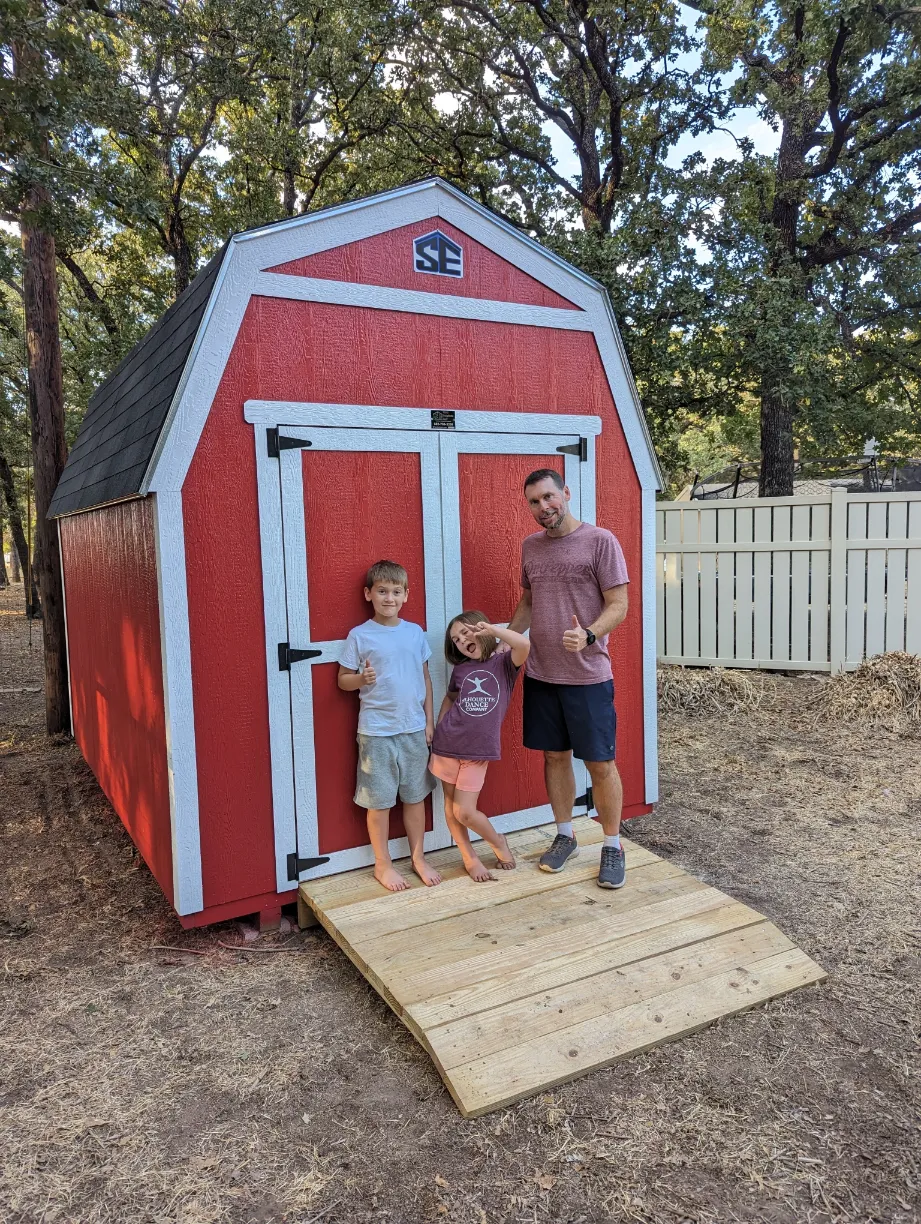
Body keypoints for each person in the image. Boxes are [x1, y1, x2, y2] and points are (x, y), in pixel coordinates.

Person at [506, 470, 630, 889]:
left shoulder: (600, 541)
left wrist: (590, 633)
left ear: (566, 494)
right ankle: (564, 835)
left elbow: (620, 603)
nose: (544, 508)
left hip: (588, 676)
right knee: (555, 757)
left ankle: (612, 845)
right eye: (535, 502)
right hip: (542, 673)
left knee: (600, 763)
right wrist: (507, 641)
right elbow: (528, 601)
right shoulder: (530, 547)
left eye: (549, 497)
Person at [338, 560, 441, 892]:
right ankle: (382, 865)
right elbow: (342, 682)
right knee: (379, 802)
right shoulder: (360, 635)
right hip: (377, 733)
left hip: (413, 730)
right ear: (369, 594)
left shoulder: (414, 632)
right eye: (382, 591)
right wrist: (360, 678)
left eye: (396, 592)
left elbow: (425, 678)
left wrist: (428, 722)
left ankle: (418, 858)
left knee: (415, 798)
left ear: (406, 595)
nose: (389, 598)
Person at [430, 612, 530, 882]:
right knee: (451, 808)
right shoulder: (461, 670)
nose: (462, 641)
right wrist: (440, 725)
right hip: (447, 745)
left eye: (466, 633)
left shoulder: (504, 663)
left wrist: (494, 630)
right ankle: (469, 857)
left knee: (465, 812)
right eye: (456, 640)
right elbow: (451, 696)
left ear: (482, 629)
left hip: (477, 753)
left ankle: (498, 841)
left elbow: (524, 645)